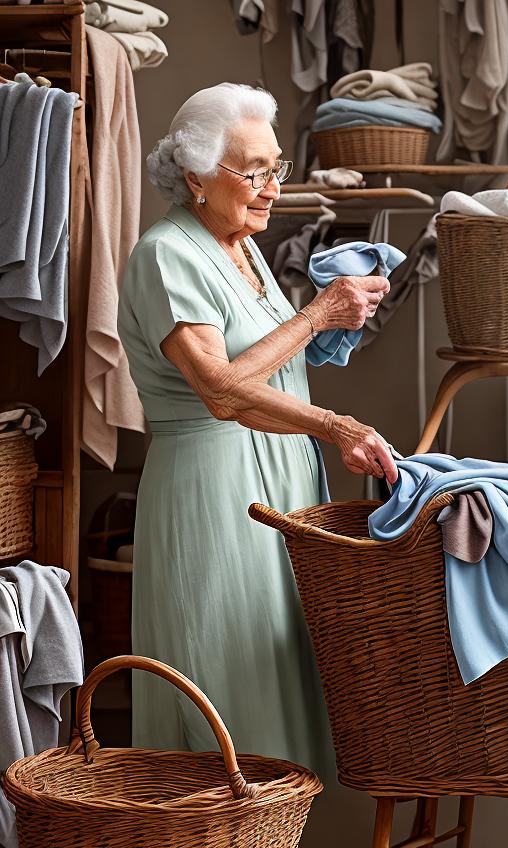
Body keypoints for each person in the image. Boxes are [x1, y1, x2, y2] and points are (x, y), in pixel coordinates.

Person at [118, 83, 397, 775]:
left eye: (278, 168)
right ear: (194, 175)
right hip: (216, 491)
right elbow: (219, 389)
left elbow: (264, 368)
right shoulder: (166, 254)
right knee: (227, 694)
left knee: (276, 684)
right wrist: (317, 325)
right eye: (253, 172)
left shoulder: (243, 248)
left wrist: (328, 323)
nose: (272, 188)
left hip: (277, 485)